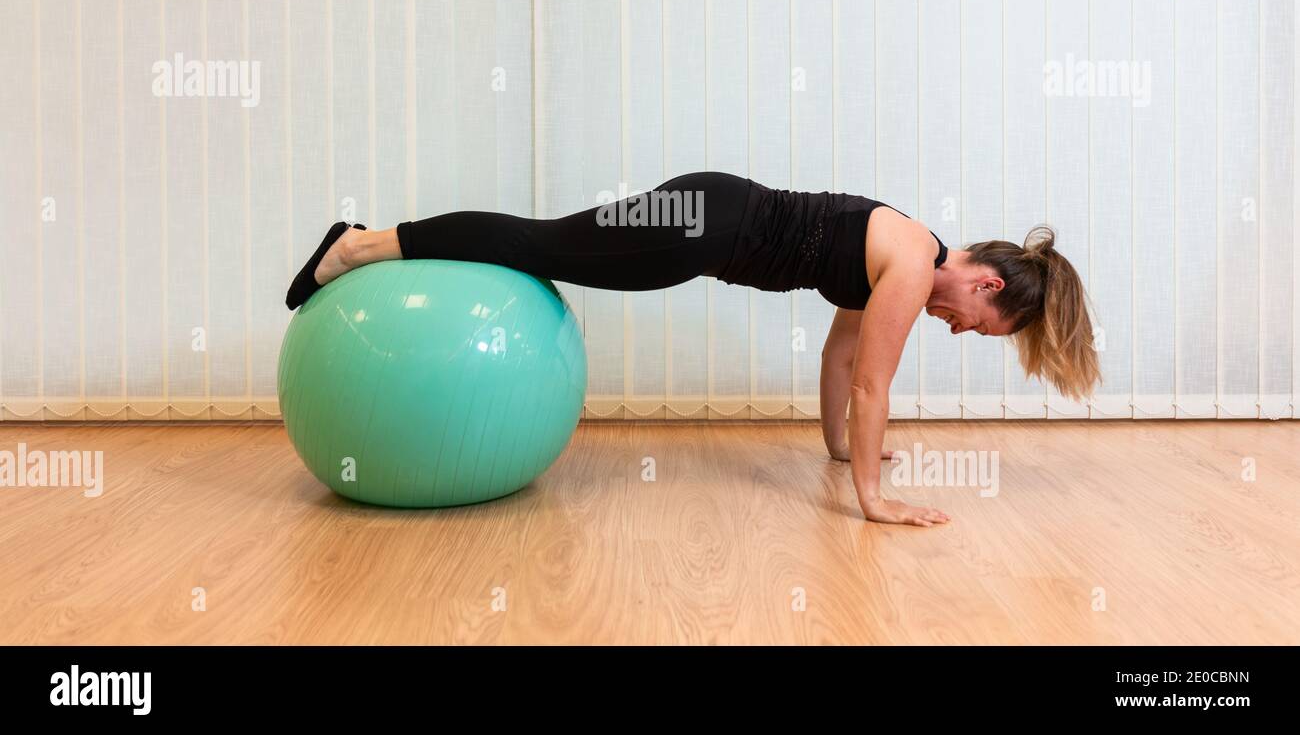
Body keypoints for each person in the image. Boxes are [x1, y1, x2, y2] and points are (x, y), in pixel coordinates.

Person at [286, 171, 1100, 526]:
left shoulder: (906, 252)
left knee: (545, 245)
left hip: (711, 217)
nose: (963, 334)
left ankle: (369, 244)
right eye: (983, 328)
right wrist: (872, 500)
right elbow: (873, 386)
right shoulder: (914, 267)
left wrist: (842, 452)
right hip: (701, 228)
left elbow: (840, 363)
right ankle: (361, 246)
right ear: (989, 286)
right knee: (540, 246)